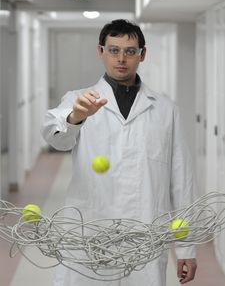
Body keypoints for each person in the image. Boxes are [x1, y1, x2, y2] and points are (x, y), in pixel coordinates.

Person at [41, 19, 197, 286]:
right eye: (113, 50)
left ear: (142, 54)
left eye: (130, 51)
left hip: (144, 232)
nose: (121, 58)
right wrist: (77, 116)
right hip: (90, 228)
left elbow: (182, 180)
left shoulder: (165, 109)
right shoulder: (78, 99)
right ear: (100, 51)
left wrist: (186, 247)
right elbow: (56, 138)